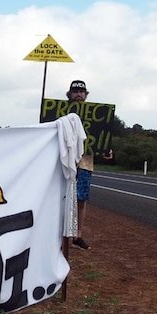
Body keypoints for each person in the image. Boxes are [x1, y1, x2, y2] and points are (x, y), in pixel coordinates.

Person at [68, 79, 93, 250]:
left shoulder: (94, 115)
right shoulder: (62, 113)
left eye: (81, 91)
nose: (79, 94)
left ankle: (78, 235)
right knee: (60, 197)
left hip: (85, 162)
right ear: (69, 94)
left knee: (81, 199)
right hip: (64, 160)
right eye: (75, 91)